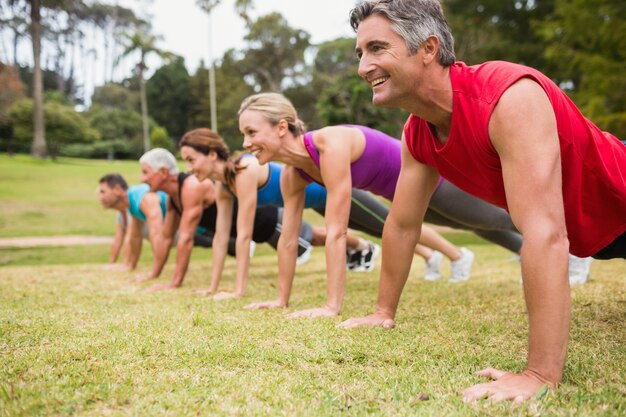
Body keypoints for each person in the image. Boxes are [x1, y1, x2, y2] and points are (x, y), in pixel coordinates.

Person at [344, 0, 626, 403]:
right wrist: (382, 312)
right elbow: (404, 224)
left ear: (427, 49)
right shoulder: (418, 133)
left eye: (376, 48)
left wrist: (538, 374)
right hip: (601, 233)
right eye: (360, 53)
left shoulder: (508, 96)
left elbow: (545, 234)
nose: (363, 67)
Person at [237, 93, 537, 317]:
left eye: (251, 132)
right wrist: (280, 299)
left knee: (495, 217)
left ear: (281, 127)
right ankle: (539, 248)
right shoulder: (293, 175)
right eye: (244, 135)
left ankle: (561, 240)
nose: (246, 144)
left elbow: (337, 232)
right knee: (473, 223)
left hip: (427, 174)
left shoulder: (328, 145)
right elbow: (289, 240)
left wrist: (331, 306)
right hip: (402, 193)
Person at [179, 129, 386, 300]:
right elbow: (221, 238)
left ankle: (420, 253)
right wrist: (213, 287)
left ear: (212, 155)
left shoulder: (244, 170)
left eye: (191, 160)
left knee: (388, 227)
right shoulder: (222, 185)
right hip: (313, 203)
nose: (188, 169)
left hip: (329, 188)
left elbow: (244, 236)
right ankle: (407, 251)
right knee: (384, 230)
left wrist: (238, 291)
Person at [138, 148, 318, 293]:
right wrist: (154, 274)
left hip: (264, 219)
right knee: (312, 237)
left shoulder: (191, 187)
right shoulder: (173, 199)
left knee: (313, 237)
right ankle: (347, 245)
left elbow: (185, 238)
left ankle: (347, 244)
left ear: (162, 172)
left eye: (146, 172)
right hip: (241, 230)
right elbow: (167, 238)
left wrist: (174, 283)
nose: (142, 178)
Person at [97, 173, 167, 271]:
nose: (100, 197)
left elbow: (131, 237)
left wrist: (126, 264)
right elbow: (126, 238)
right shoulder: (125, 209)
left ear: (117, 189)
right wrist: (115, 264)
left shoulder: (135, 199)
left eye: (103, 192)